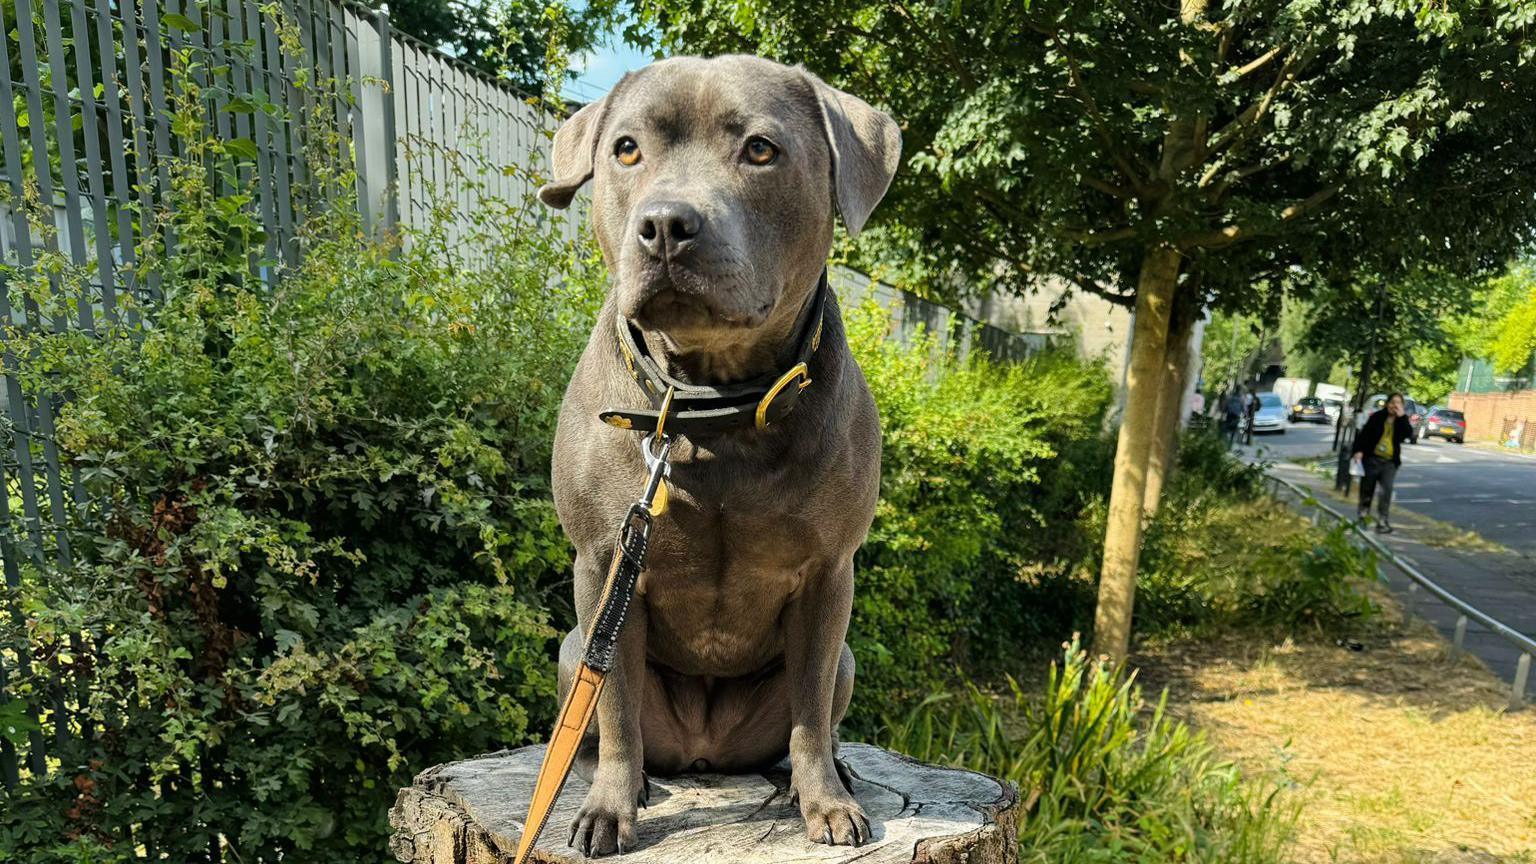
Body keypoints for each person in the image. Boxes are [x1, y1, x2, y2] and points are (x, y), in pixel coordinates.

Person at [1351, 392, 1413, 533]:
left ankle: (1382, 521)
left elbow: (1408, 434)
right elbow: (1364, 435)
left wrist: (1402, 416)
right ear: (1387, 404)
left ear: (1401, 406)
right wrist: (1358, 451)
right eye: (1392, 402)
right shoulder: (1378, 417)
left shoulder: (1401, 420)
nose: (1394, 406)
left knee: (1386, 491)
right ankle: (1363, 518)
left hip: (1390, 462)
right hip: (1372, 459)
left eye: (1398, 403)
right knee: (1367, 490)